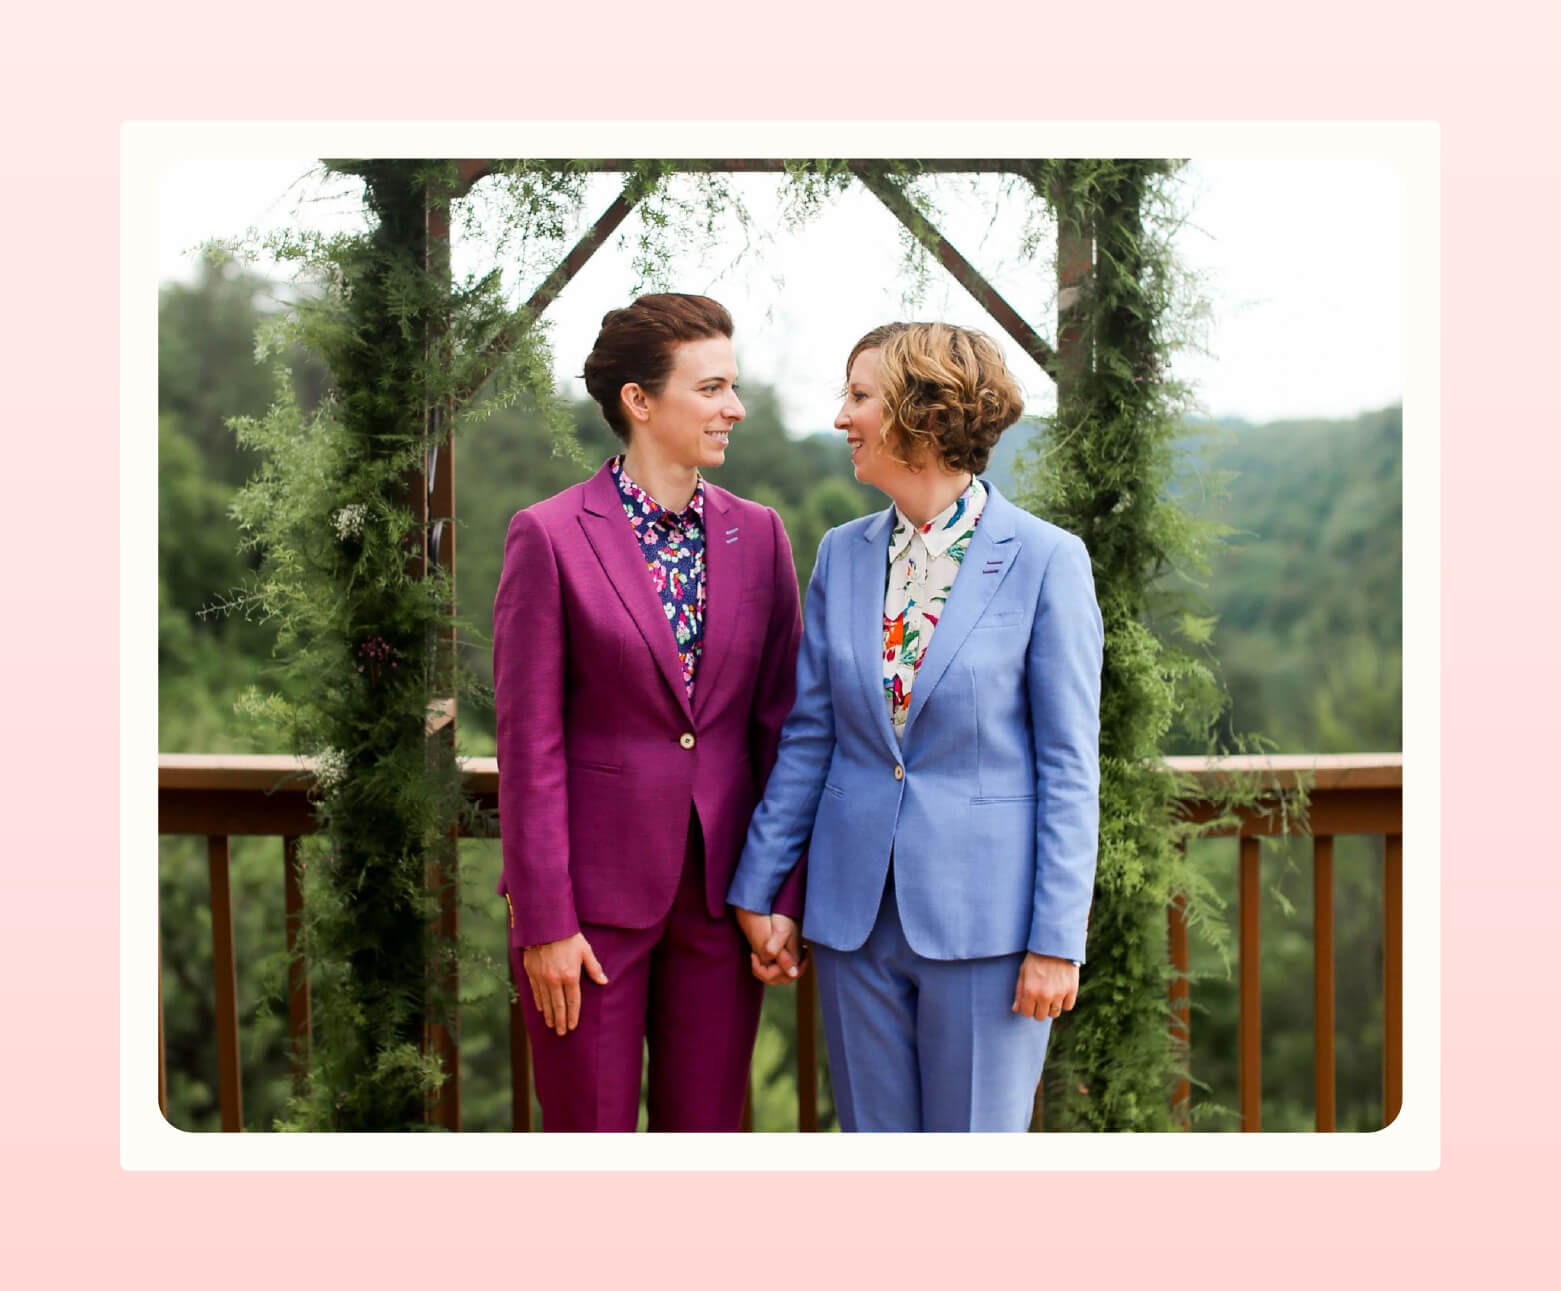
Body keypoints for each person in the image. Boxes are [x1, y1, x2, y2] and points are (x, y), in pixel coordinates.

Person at [726, 321, 1103, 1132]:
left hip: (989, 933)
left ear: (922, 415)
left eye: (859, 396)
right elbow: (810, 736)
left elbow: (1069, 766)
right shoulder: (842, 554)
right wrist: (761, 886)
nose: (841, 417)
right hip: (853, 922)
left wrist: (1055, 940)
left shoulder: (1045, 560)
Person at [493, 293, 805, 1132]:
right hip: (587, 911)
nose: (732, 407)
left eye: (730, 387)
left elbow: (783, 731)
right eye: (709, 389)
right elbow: (530, 745)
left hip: (721, 902)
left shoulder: (762, 536)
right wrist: (545, 922)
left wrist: (780, 893)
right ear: (639, 400)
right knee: (588, 1142)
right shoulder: (549, 536)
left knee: (705, 1140)